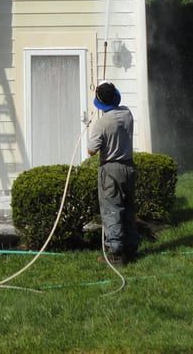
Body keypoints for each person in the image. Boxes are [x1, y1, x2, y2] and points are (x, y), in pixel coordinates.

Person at [87, 80, 138, 264]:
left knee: (112, 210)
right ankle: (131, 249)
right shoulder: (127, 114)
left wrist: (92, 130)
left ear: (100, 103)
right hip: (129, 167)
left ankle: (115, 253)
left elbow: (91, 151)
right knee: (128, 208)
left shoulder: (101, 123)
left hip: (110, 170)